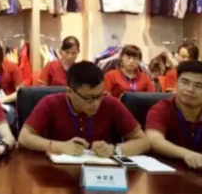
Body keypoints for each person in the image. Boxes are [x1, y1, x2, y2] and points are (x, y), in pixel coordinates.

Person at [19, 61, 149, 157]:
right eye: (89, 98)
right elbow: (24, 137)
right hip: (58, 173)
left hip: (101, 173)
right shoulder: (51, 103)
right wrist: (60, 146)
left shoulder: (111, 104)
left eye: (100, 96)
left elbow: (143, 141)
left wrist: (114, 149)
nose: (96, 103)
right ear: (70, 92)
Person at [146, 60, 202, 169]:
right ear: (176, 84)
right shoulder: (161, 109)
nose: (190, 89)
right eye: (185, 82)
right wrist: (187, 154)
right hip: (167, 172)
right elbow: (154, 141)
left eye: (199, 86)